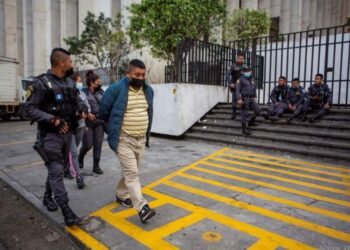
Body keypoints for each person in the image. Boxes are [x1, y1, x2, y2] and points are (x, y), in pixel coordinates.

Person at [24, 48, 85, 226]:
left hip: (68, 135)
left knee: (56, 170)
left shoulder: (69, 82)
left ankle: (47, 196)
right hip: (50, 136)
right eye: (70, 62)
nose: (72, 64)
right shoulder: (41, 83)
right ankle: (66, 211)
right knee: (57, 172)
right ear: (61, 63)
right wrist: (52, 119)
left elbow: (78, 100)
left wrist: (82, 109)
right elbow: (28, 109)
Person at [99, 59, 156, 223]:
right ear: (128, 74)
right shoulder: (116, 89)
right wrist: (112, 132)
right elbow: (103, 111)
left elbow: (148, 111)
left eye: (143, 75)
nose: (140, 78)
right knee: (132, 174)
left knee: (132, 171)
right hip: (123, 139)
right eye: (137, 75)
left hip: (140, 139)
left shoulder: (149, 91)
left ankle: (121, 194)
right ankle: (142, 208)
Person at [78, 71, 104, 175]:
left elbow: (105, 104)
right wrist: (87, 114)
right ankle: (81, 156)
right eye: (98, 82)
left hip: (99, 121)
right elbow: (80, 105)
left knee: (98, 144)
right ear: (92, 83)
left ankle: (96, 166)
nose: (99, 84)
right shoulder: (83, 92)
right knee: (88, 144)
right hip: (88, 122)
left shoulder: (101, 92)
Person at [68, 72, 90, 189]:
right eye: (78, 81)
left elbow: (87, 107)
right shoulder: (67, 93)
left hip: (81, 125)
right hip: (70, 127)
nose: (80, 83)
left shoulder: (82, 93)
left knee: (73, 150)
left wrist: (85, 113)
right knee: (74, 152)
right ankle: (79, 177)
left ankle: (67, 167)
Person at [236, 66, 261, 135]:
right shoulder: (240, 79)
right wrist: (239, 99)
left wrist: (255, 95)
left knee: (258, 110)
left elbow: (254, 88)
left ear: (251, 72)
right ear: (244, 72)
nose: (247, 72)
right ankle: (244, 129)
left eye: (249, 71)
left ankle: (251, 122)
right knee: (244, 113)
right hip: (244, 98)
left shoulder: (252, 79)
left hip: (251, 98)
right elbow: (237, 90)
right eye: (246, 71)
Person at [226, 53, 244, 119]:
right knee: (234, 99)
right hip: (235, 85)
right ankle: (234, 113)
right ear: (237, 59)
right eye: (240, 58)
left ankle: (243, 113)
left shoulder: (244, 66)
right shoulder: (233, 66)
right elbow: (227, 75)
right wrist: (230, 83)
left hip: (243, 85)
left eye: (242, 59)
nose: (241, 60)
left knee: (243, 99)